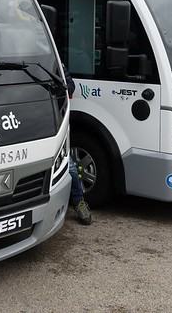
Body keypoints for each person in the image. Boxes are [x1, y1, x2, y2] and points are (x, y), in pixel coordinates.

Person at [64, 65, 92, 225]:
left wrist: (59, 88)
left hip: (54, 122)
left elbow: (70, 85)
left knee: (72, 169)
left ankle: (78, 201)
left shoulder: (52, 62)